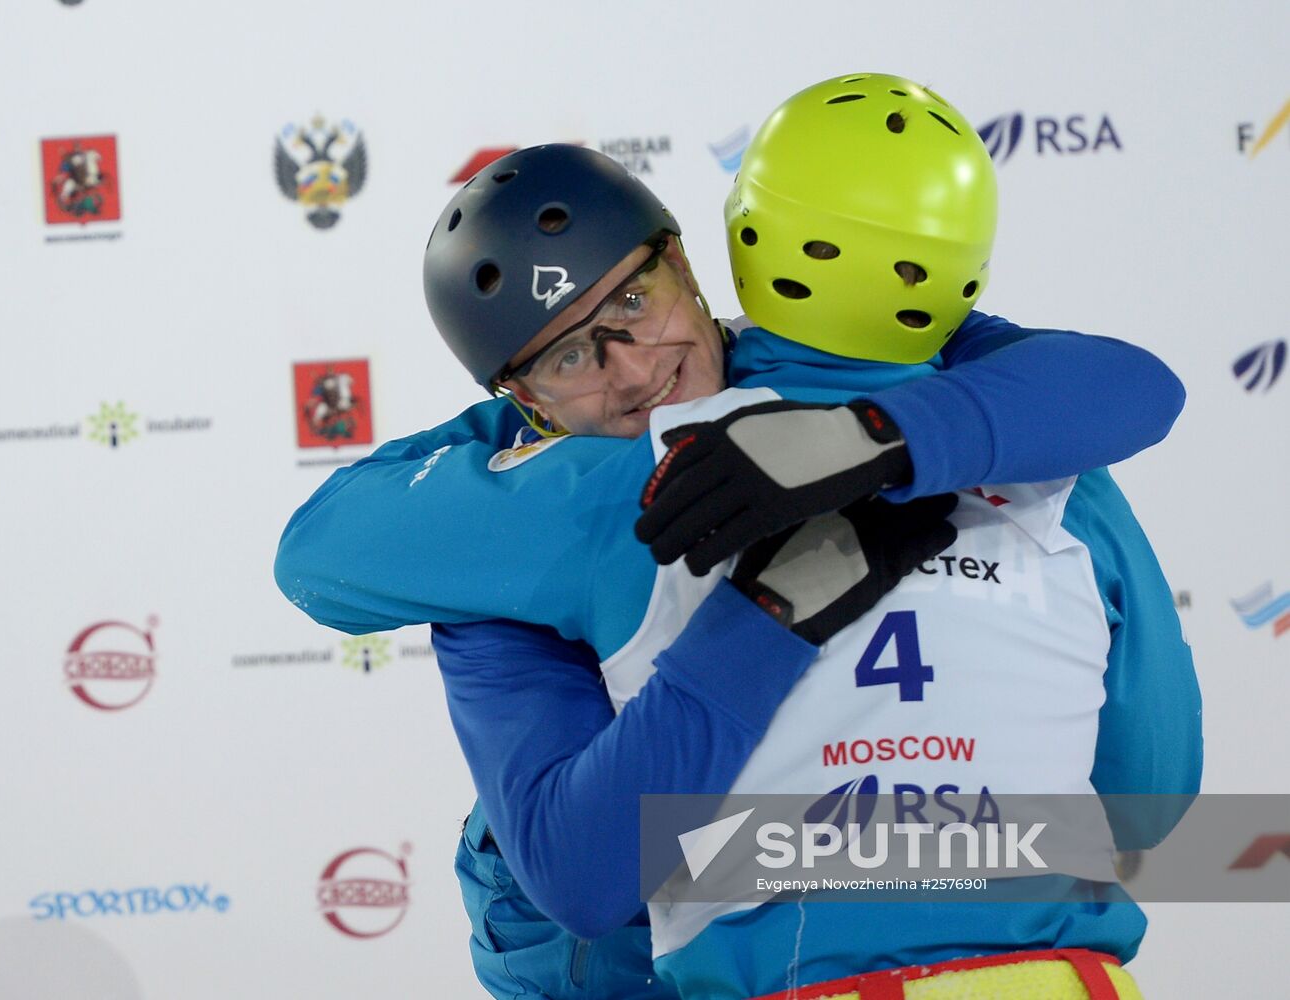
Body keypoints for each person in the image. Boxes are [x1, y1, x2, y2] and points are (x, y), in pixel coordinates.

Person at [277, 75, 1197, 1000]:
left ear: (688, 261)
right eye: (569, 355)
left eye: (631, 306)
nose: (632, 372)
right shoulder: (1048, 452)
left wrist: (863, 446)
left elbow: (1125, 383)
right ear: (524, 401)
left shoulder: (590, 492)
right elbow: (1147, 795)